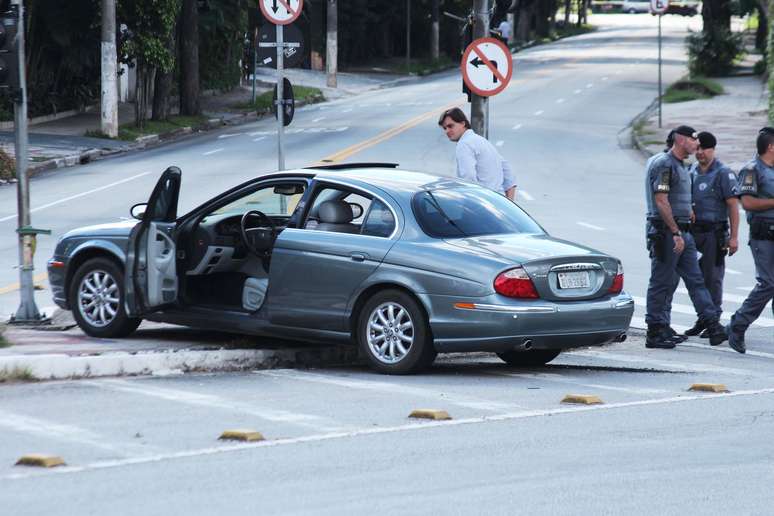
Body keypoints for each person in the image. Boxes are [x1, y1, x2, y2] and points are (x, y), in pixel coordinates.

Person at [644, 125, 727, 349]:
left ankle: (712, 324)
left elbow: (677, 197)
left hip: (682, 231)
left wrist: (686, 212)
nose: (696, 145)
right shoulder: (664, 164)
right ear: (681, 140)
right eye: (693, 141)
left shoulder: (680, 165)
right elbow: (660, 200)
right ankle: (655, 330)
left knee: (696, 280)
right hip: (666, 232)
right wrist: (674, 232)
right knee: (662, 282)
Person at [682, 131, 739, 338]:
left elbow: (733, 205)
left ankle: (714, 317)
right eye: (697, 148)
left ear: (713, 149)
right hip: (693, 233)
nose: (699, 153)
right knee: (695, 278)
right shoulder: (692, 171)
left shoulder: (723, 172)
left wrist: (733, 237)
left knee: (712, 278)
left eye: (704, 148)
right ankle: (703, 318)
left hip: (714, 234)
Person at [726, 127, 774, 354]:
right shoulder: (751, 170)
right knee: (768, 284)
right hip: (763, 234)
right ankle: (738, 324)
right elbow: (747, 203)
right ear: (771, 147)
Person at [438, 107, 516, 200]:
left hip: (482, 203)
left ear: (463, 123)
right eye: (444, 128)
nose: (447, 131)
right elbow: (508, 171)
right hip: (498, 203)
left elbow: (468, 179)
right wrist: (510, 203)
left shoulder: (464, 144)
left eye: (451, 126)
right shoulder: (482, 141)